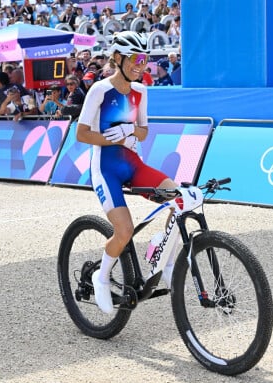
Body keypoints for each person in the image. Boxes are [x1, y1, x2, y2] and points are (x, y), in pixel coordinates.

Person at [76, 31, 177, 314]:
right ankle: (102, 275)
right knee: (125, 231)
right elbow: (81, 134)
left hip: (134, 164)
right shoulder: (99, 90)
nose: (140, 65)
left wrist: (130, 130)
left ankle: (163, 253)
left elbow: (144, 132)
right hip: (106, 169)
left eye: (144, 59)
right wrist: (116, 139)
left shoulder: (140, 91)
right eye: (135, 59)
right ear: (118, 58)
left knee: (179, 199)